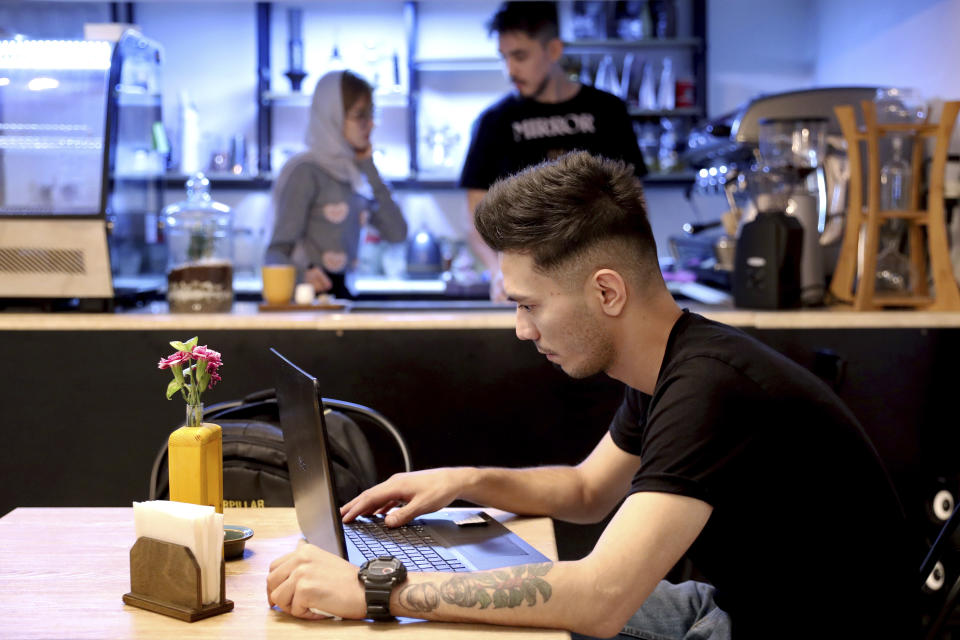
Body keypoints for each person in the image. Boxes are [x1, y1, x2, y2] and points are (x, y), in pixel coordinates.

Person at [266, 152, 915, 639]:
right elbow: (587, 491)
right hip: (733, 604)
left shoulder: (714, 390)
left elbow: (602, 598)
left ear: (607, 292)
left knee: (475, 608)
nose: (522, 329)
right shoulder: (670, 361)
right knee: (481, 604)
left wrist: (379, 587)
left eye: (529, 305)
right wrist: (462, 480)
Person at [459, 1, 647, 301]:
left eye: (520, 56)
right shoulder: (494, 123)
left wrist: (632, 269)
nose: (510, 69)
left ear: (554, 50)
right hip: (526, 286)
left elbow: (633, 202)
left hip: (598, 284)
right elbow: (475, 214)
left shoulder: (607, 111)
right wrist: (498, 272)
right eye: (504, 57)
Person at [266, 70, 407, 299]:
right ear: (332, 115)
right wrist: (301, 276)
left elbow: (397, 233)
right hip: (308, 300)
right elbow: (275, 252)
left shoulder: (356, 174)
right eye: (360, 115)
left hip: (344, 295)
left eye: (372, 114)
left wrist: (368, 165)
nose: (370, 125)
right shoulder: (306, 171)